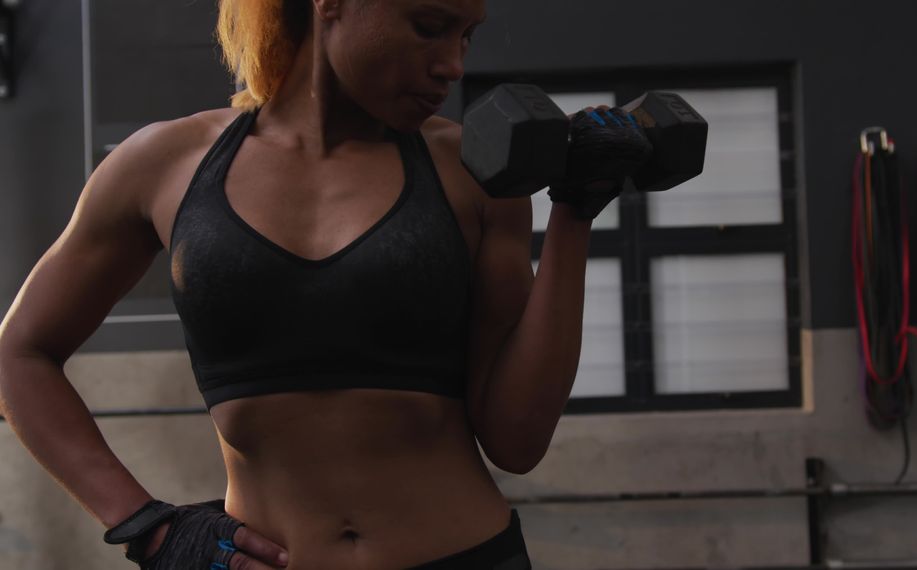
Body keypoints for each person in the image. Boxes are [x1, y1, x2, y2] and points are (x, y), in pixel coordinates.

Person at [0, 0, 648, 568]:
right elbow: (16, 354)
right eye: (429, 27)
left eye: (467, 37)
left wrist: (575, 213)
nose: (452, 64)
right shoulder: (165, 165)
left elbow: (517, 439)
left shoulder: (471, 173)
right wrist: (148, 527)